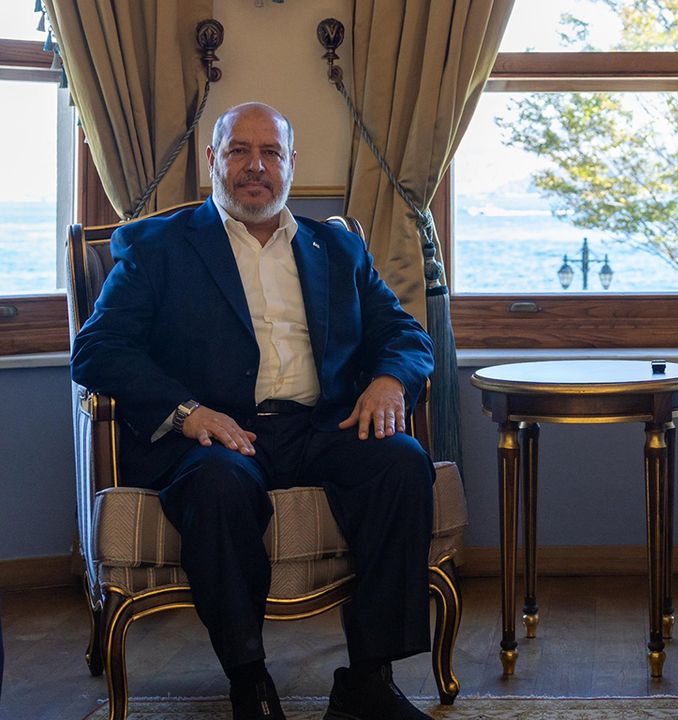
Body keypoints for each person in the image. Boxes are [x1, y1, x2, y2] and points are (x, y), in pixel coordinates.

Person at [72, 102, 437, 720]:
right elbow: (98, 348)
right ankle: (249, 680)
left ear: (292, 163)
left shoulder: (337, 247)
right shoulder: (159, 246)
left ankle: (368, 681)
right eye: (239, 150)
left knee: (401, 463)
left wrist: (389, 381)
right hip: (216, 435)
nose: (255, 166)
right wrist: (187, 412)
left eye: (271, 152)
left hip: (321, 425)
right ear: (212, 160)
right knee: (217, 487)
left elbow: (404, 334)